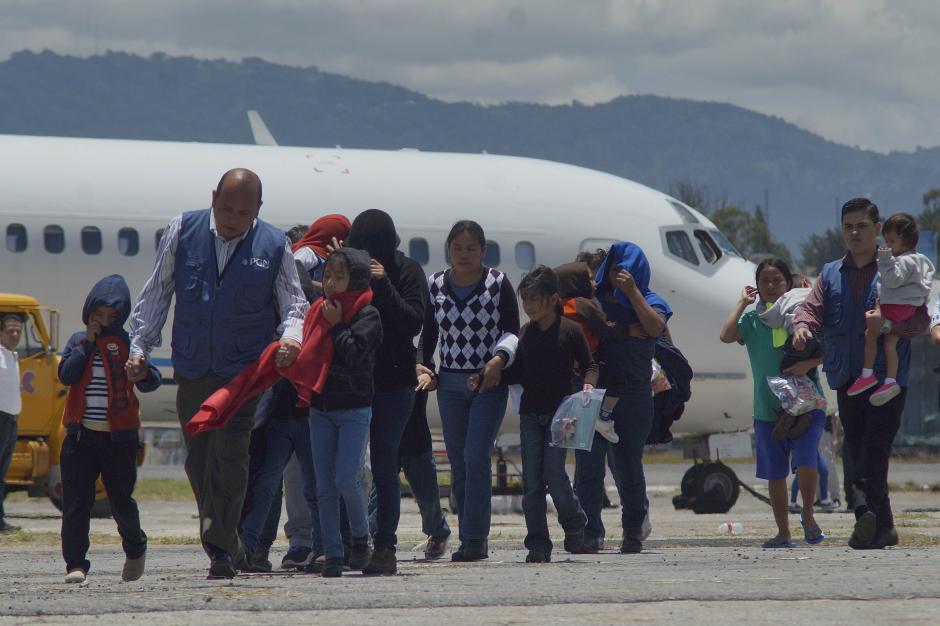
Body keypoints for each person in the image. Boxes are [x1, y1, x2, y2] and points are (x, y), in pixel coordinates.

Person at [126, 169, 308, 578]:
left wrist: (290, 340)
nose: (232, 218)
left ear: (258, 210)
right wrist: (140, 347)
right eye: (226, 208)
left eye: (243, 212)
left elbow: (295, 304)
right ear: (213, 198)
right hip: (193, 366)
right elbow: (157, 291)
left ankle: (222, 550)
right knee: (199, 458)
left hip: (243, 372)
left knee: (232, 455)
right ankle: (230, 541)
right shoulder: (183, 230)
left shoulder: (274, 244)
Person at [793, 198, 929, 549]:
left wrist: (889, 324)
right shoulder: (829, 273)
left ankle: (865, 514)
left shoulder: (899, 269)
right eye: (848, 226)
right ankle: (881, 527)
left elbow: (920, 320)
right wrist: (802, 325)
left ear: (877, 228)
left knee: (872, 453)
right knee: (854, 452)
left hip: (887, 380)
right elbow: (811, 306)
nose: (854, 232)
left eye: (862, 226)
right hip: (847, 377)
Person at [424, 220, 519, 562]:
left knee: (476, 456)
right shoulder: (435, 283)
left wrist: (498, 359)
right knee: (459, 463)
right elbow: (430, 333)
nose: (464, 254)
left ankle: (477, 538)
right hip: (449, 384)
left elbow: (512, 330)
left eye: (471, 248)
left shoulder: (497, 283)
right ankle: (467, 537)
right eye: (458, 247)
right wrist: (425, 366)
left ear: (483, 250)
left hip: (487, 381)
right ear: (448, 249)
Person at [57, 275, 162, 583]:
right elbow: (67, 375)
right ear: (88, 315)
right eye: (97, 315)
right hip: (81, 436)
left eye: (110, 317)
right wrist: (87, 346)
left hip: (119, 439)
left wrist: (141, 373)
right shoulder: (78, 341)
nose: (103, 322)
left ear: (120, 317)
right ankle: (75, 563)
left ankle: (135, 546)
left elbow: (152, 379)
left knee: (121, 501)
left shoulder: (130, 344)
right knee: (76, 503)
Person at [721, 258, 826, 548]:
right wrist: (741, 304)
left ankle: (807, 513)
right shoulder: (753, 321)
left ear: (788, 284)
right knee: (775, 473)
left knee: (806, 461)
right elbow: (726, 335)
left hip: (807, 405)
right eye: (764, 281)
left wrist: (807, 364)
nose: (770, 286)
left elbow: (830, 351)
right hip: (767, 409)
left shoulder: (804, 315)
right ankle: (784, 532)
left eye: (777, 280)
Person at [345, 209, 427, 575]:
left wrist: (382, 284)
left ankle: (385, 545)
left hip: (394, 384)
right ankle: (348, 542)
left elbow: (412, 321)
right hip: (353, 382)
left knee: (383, 466)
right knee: (345, 467)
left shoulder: (407, 271)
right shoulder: (351, 268)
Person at [500, 265, 596, 563]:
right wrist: (488, 374)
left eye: (534, 300)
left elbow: (590, 365)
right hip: (530, 416)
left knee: (554, 476)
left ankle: (574, 522)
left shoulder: (571, 331)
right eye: (525, 300)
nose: (528, 307)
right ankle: (538, 544)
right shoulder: (525, 334)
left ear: (553, 299)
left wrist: (589, 386)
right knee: (531, 483)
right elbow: (515, 373)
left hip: (563, 417)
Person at [580, 242, 670, 554]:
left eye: (627, 269)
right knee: (588, 466)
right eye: (616, 268)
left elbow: (655, 327)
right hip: (595, 391)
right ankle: (590, 532)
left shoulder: (651, 300)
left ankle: (633, 529)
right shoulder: (596, 300)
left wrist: (633, 293)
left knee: (628, 465)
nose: (620, 274)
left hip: (633, 394)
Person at [307, 247, 383, 577]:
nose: (331, 283)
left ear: (356, 279)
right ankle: (333, 552)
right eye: (327, 276)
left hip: (353, 408)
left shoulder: (368, 315)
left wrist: (336, 325)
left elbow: (354, 353)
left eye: (339, 277)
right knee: (323, 485)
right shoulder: (319, 310)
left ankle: (359, 539)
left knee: (345, 478)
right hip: (320, 407)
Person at [846, 213, 934, 405]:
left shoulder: (905, 261)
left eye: (891, 241)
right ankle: (890, 381)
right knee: (889, 346)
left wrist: (884, 260)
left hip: (894, 309)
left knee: (870, 334)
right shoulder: (921, 260)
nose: (887, 246)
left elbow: (892, 280)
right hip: (906, 311)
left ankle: (867, 374)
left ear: (906, 239)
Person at [0, 314, 23, 533]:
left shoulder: (12, 356)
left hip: (11, 420)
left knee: (2, 473)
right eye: (10, 331)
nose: (15, 335)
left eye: (18, 331)